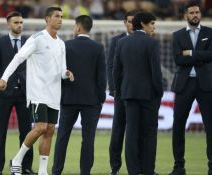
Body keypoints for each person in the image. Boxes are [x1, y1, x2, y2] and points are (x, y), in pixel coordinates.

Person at [0, 6, 74, 175]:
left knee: (50, 130)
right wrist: (4, 77)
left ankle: (42, 171)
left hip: (54, 93)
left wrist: (66, 73)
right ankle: (17, 160)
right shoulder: (37, 38)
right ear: (47, 19)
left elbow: (62, 70)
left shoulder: (61, 43)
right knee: (40, 127)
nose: (60, 19)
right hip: (38, 92)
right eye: (56, 16)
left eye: (61, 16)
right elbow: (19, 58)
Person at [51, 15, 106, 175]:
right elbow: (101, 77)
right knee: (88, 139)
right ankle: (85, 172)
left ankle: (56, 171)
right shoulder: (98, 47)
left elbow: (60, 73)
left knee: (62, 137)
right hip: (91, 101)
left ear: (78, 27)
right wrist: (100, 99)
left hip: (69, 99)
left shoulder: (65, 46)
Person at [113, 11, 163, 175]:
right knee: (149, 134)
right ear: (143, 24)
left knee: (131, 133)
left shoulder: (122, 43)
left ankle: (133, 171)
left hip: (128, 95)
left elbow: (116, 71)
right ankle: (148, 170)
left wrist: (120, 92)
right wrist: (159, 93)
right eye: (152, 24)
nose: (153, 27)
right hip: (149, 96)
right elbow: (156, 73)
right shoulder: (152, 43)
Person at [0, 11, 35, 175]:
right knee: (0, 133)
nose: (19, 25)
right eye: (16, 22)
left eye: (21, 22)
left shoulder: (29, 42)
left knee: (27, 133)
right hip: (6, 95)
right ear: (8, 24)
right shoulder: (0, 42)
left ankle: (26, 167)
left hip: (24, 94)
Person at [169, 1, 212, 175]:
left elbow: (211, 55)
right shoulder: (177, 35)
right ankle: (179, 166)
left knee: (210, 126)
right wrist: (201, 56)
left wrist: (192, 53)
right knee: (178, 126)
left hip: (206, 85)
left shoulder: (210, 32)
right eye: (192, 13)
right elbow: (178, 59)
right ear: (185, 15)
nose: (195, 15)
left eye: (197, 12)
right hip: (184, 85)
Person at [107, 10, 136, 175]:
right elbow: (110, 66)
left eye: (134, 21)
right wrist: (113, 89)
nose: (132, 24)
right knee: (118, 130)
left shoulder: (145, 40)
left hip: (139, 93)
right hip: (121, 92)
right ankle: (115, 167)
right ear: (125, 22)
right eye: (130, 21)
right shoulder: (116, 40)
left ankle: (139, 166)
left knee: (137, 130)